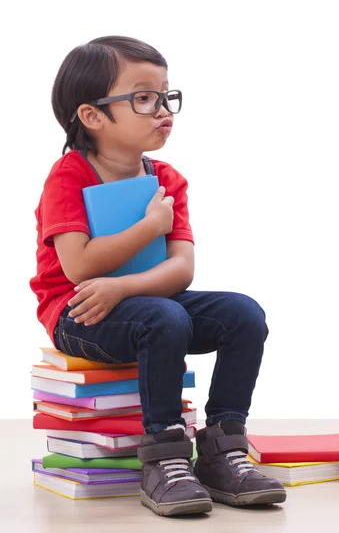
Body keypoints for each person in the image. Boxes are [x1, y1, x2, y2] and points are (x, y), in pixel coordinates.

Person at [30, 35, 286, 517]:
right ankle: (165, 457)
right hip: (80, 311)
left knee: (243, 314)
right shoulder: (68, 176)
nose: (162, 109)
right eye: (143, 98)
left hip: (145, 302)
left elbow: (182, 270)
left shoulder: (166, 178)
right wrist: (149, 227)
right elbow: (78, 266)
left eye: (166, 96)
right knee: (163, 318)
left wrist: (125, 285)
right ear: (92, 116)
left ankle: (223, 446)